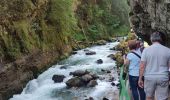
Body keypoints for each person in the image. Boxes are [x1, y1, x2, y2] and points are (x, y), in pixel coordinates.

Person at [138, 32, 170, 100]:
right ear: (161, 39)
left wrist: (140, 78)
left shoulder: (146, 50)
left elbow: (142, 66)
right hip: (163, 76)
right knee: (162, 98)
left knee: (149, 97)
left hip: (149, 77)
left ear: (151, 39)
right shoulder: (168, 50)